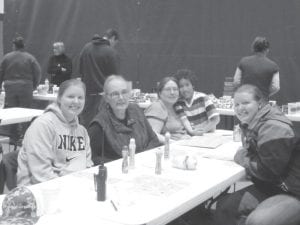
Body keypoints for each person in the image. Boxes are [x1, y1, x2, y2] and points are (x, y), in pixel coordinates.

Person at [214, 84, 300, 225]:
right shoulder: (254, 123)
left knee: (258, 221)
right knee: (225, 207)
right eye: (236, 104)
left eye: (246, 103)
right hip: (270, 186)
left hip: (291, 191)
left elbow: (267, 171)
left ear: (259, 103)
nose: (240, 108)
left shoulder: (274, 126)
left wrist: (240, 156)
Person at [17, 79, 93, 185]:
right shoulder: (42, 125)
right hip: (38, 192)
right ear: (59, 99)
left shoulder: (82, 132)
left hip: (72, 188)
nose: (76, 101)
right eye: (71, 96)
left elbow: (86, 166)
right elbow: (41, 175)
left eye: (80, 97)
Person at [88, 75, 160, 164]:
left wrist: (140, 159)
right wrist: (125, 163)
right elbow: (92, 157)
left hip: (144, 165)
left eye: (124, 92)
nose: (121, 97)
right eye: (115, 94)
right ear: (106, 98)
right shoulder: (99, 124)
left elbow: (154, 140)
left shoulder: (136, 110)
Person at [0, 36, 42, 144]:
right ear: (23, 46)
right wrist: (34, 86)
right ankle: (26, 138)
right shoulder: (30, 57)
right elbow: (38, 73)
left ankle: (13, 138)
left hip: (10, 87)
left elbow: (0, 73)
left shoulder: (6, 57)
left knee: (12, 112)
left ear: (14, 46)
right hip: (25, 87)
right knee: (26, 113)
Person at [79, 28, 120, 128]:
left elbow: (80, 68)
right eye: (116, 43)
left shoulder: (86, 48)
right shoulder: (110, 52)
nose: (114, 45)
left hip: (86, 95)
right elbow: (113, 78)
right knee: (101, 127)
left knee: (85, 126)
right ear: (113, 38)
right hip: (102, 97)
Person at [174, 69, 220, 135]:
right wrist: (192, 132)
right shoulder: (178, 103)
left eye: (187, 85)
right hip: (192, 137)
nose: (185, 89)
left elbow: (216, 119)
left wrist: (203, 131)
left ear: (192, 85)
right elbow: (184, 121)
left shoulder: (203, 98)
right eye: (181, 86)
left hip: (208, 135)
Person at [145, 77, 190, 143]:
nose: (172, 92)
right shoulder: (157, 107)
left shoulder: (176, 107)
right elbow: (153, 135)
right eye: (168, 89)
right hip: (166, 148)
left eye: (175, 89)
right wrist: (175, 143)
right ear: (160, 93)